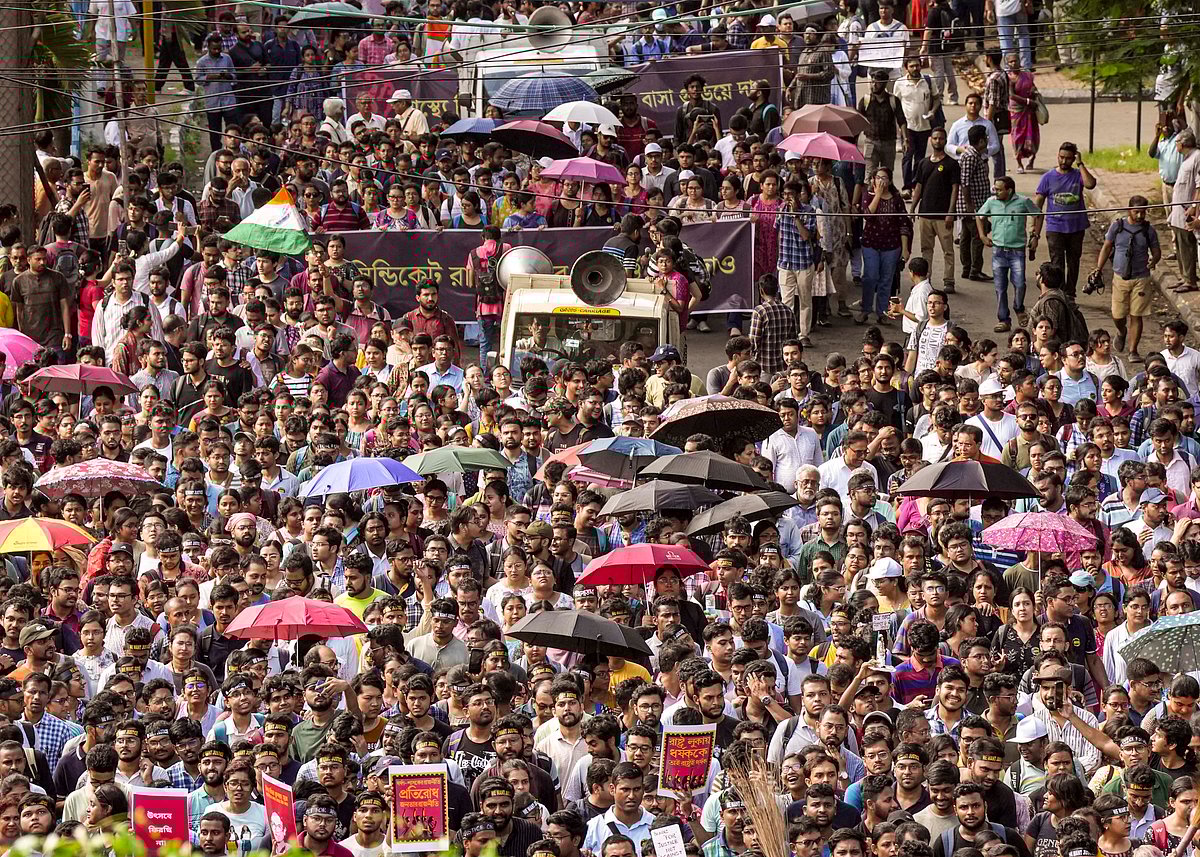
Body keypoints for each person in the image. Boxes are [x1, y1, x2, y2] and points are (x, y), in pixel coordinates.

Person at [1093, 196, 1162, 363]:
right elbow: (1107, 247)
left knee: (1136, 315)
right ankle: (1122, 331)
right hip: (1120, 278)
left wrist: (1154, 260)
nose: (1139, 216)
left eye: (1143, 212)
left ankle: (1133, 351)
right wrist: (1098, 268)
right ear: (1129, 210)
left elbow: (1156, 250)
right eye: (1136, 212)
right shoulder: (1117, 226)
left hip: (1141, 278)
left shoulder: (1148, 230)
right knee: (1118, 315)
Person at [1033, 142, 1097, 301]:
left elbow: (1090, 184)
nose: (1064, 161)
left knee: (1073, 262)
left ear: (1073, 158)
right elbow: (1038, 203)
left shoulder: (1077, 175)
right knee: (1057, 263)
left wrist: (1081, 164)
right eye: (1061, 157)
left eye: (1068, 158)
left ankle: (1070, 293)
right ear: (1057, 156)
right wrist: (1034, 229)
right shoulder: (1048, 177)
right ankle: (1059, 292)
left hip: (1076, 227)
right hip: (1055, 227)